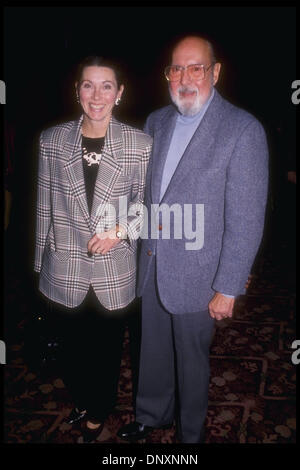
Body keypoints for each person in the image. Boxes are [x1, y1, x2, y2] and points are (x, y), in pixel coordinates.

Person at [118, 35, 269, 443]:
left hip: (201, 277)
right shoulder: (156, 122)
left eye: (196, 67)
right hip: (152, 264)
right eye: (176, 68)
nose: (185, 77)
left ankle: (189, 436)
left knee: (191, 361)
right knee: (152, 351)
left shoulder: (242, 130)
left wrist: (229, 286)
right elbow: (145, 197)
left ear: (215, 72)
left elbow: (246, 218)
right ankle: (152, 413)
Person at [34, 55, 152, 442]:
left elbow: (149, 204)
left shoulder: (140, 144)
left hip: (113, 270)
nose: (96, 94)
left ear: (120, 93)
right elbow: (43, 206)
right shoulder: (51, 141)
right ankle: (84, 400)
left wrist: (121, 229)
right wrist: (40, 262)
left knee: (104, 353)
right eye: (88, 84)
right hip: (63, 266)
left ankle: (97, 411)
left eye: (106, 86)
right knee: (70, 351)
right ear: (77, 90)